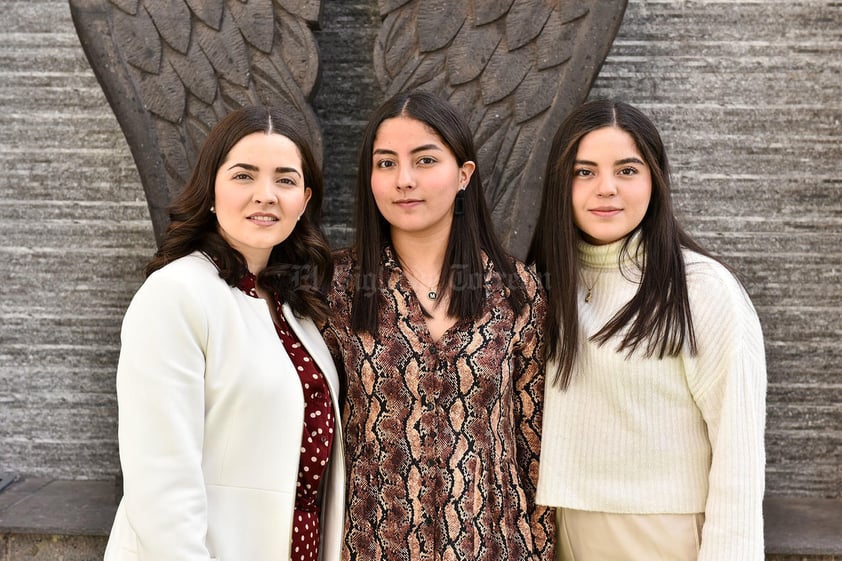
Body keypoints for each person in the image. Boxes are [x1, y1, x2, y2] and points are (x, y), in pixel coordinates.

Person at [320, 90, 555, 560]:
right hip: (371, 546)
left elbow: (538, 449)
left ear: (463, 175)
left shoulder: (516, 290)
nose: (404, 180)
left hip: (494, 546)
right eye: (386, 164)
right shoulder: (334, 288)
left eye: (424, 161)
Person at [528, 99, 767, 560]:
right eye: (585, 172)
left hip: (659, 534)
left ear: (655, 181)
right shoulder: (542, 283)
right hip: (559, 528)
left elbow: (739, 452)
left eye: (627, 170)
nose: (606, 189)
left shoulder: (701, 289)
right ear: (561, 184)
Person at [103, 106, 344, 561]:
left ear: (305, 200)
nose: (265, 195)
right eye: (244, 176)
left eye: (286, 180)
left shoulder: (292, 306)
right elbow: (161, 482)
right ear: (211, 189)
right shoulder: (177, 294)